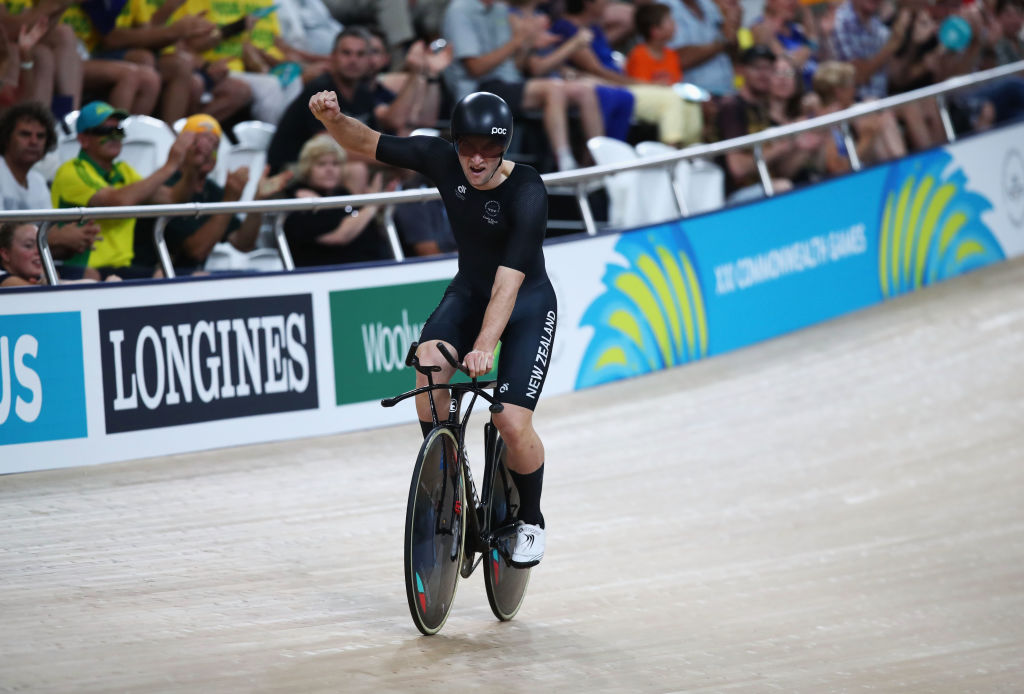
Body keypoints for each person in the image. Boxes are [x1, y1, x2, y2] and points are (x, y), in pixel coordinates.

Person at [310, 89, 555, 566]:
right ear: (455, 142)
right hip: (468, 291)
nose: (477, 158)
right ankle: (450, 476)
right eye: (467, 146)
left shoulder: (527, 190)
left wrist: (484, 347)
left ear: (504, 147)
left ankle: (531, 518)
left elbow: (508, 284)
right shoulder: (440, 159)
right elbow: (365, 142)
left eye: (489, 147)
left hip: (525, 301)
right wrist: (334, 118)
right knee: (426, 365)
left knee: (509, 419)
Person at [442, 0, 605, 171]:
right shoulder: (460, 9)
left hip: (511, 82)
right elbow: (475, 68)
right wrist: (518, 40)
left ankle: (596, 165)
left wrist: (528, 44)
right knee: (553, 88)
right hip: (478, 90)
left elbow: (517, 65)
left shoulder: (500, 9)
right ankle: (564, 165)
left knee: (584, 90)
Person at [50, 100, 196, 279]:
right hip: (84, 268)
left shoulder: (123, 170)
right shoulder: (72, 170)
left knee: (167, 275)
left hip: (121, 268)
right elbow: (117, 202)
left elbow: (171, 198)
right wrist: (169, 167)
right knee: (98, 278)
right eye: (104, 131)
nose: (114, 137)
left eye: (118, 131)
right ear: (83, 139)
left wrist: (192, 168)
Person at [133, 114, 292, 275]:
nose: (208, 151)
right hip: (147, 275)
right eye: (200, 143)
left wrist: (258, 202)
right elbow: (196, 249)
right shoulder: (166, 185)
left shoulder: (211, 190)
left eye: (214, 145)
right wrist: (229, 200)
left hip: (188, 275)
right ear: (183, 145)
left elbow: (242, 243)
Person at [267, 27, 429, 173]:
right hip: (292, 168)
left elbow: (382, 129)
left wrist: (416, 73)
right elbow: (328, 147)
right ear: (333, 57)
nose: (353, 60)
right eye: (346, 53)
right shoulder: (320, 89)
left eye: (360, 54)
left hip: (327, 169)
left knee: (401, 170)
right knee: (357, 171)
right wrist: (392, 159)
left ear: (368, 60)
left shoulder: (364, 93)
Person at [0, 102, 105, 277]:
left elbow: (46, 241)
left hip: (29, 263)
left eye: (40, 136)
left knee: (90, 275)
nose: (34, 141)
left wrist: (74, 241)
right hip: (5, 267)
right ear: (6, 138)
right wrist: (58, 237)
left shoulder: (38, 181)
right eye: (25, 134)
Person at [281, 133, 392, 267]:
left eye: (335, 164)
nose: (330, 170)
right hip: (330, 274)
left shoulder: (342, 193)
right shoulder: (299, 201)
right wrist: (372, 205)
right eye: (321, 164)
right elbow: (339, 236)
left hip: (372, 267)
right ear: (307, 168)